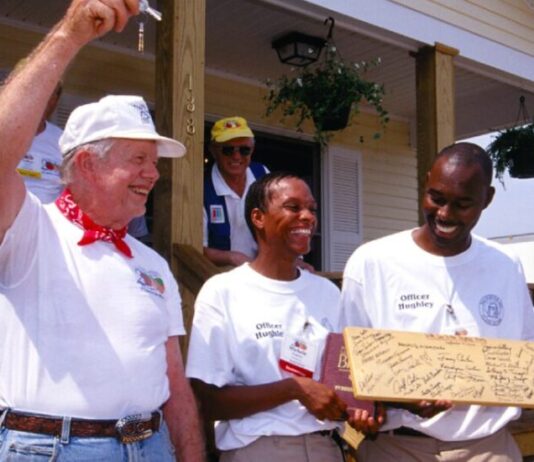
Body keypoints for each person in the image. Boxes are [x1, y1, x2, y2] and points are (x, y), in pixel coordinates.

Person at [0, 1, 204, 461]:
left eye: (154, 163)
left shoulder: (152, 263)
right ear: (88, 164)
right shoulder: (30, 227)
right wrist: (70, 34)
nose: (153, 175)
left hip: (150, 448)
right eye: (138, 160)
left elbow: (174, 381)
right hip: (50, 449)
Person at [339, 142, 534, 461]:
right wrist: (385, 402)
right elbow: (345, 361)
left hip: (489, 448)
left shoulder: (506, 265)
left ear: (487, 199)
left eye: (462, 204)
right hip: (399, 447)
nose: (444, 214)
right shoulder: (372, 262)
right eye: (436, 198)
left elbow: (524, 355)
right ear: (426, 181)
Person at [187, 171, 378, 461]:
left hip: (326, 448)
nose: (307, 217)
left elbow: (346, 378)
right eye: (293, 207)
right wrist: (294, 389)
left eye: (312, 209)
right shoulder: (223, 292)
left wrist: (362, 409)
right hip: (260, 449)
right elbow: (210, 401)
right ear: (258, 218)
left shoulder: (328, 293)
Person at [203, 116, 268, 267]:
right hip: (221, 277)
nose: (236, 156)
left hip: (263, 273)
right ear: (214, 150)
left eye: (244, 150)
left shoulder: (263, 175)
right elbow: (198, 248)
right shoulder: (202, 187)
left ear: (252, 151)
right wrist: (231, 258)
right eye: (228, 150)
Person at [16, 80, 64, 203]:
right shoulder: (5, 133)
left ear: (55, 101)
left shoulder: (63, 140)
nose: (42, 100)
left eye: (50, 95)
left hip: (48, 219)